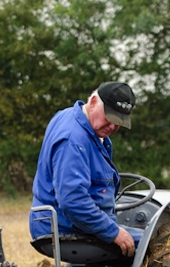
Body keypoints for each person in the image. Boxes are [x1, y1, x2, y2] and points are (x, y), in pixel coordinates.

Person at [30, 82, 140, 257]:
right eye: (110, 118)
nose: (112, 127)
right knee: (154, 244)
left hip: (72, 222)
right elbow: (72, 200)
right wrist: (113, 232)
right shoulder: (73, 140)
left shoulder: (74, 119)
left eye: (119, 122)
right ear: (94, 101)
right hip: (64, 226)